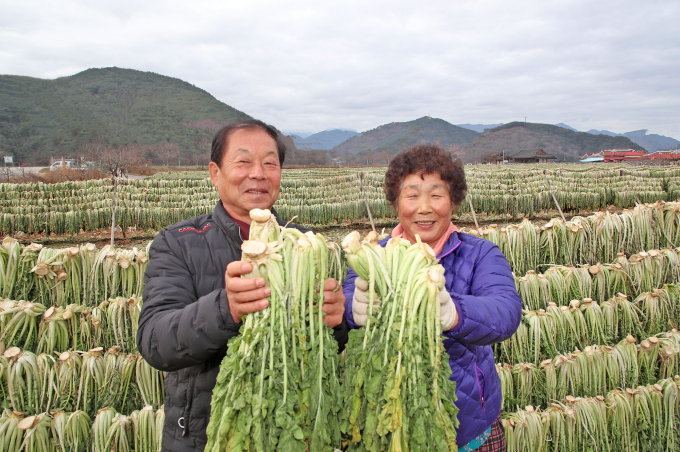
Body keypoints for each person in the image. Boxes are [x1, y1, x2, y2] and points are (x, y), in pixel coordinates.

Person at [137, 120, 348, 452]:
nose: (259, 173)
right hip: (203, 437)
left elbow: (330, 346)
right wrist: (227, 308)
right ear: (215, 173)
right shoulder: (179, 243)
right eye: (244, 161)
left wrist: (338, 322)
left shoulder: (308, 245)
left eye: (270, 163)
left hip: (294, 430)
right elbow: (154, 340)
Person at [343, 145, 521, 452]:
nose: (424, 207)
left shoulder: (480, 254)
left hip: (467, 426)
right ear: (396, 203)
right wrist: (351, 309)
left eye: (436, 195)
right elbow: (347, 296)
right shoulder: (373, 257)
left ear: (453, 203)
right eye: (412, 196)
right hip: (384, 417)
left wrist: (455, 314)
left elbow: (505, 312)